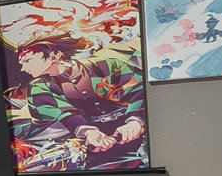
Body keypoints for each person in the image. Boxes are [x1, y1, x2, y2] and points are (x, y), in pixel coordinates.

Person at [12, 33, 147, 167]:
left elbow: (138, 90)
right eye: (21, 63)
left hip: (130, 127)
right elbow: (65, 114)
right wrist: (88, 132)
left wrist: (135, 121)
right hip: (87, 138)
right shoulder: (39, 86)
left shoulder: (106, 65)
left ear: (54, 55)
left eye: (28, 61)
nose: (24, 68)